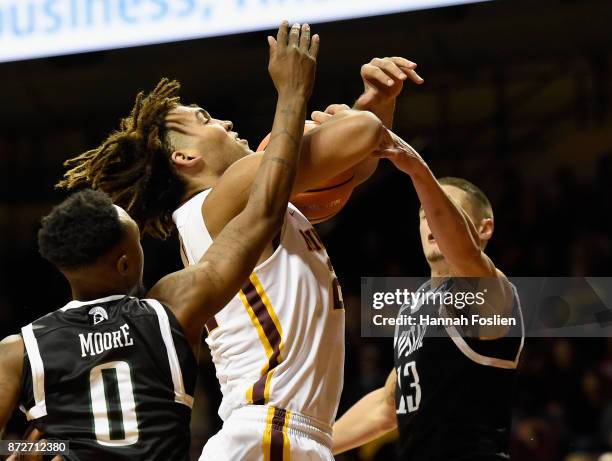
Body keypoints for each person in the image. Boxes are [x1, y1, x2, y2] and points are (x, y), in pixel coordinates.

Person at [56, 15, 423, 458]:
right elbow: (360, 136)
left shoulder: (239, 206)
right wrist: (310, 103)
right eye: (206, 119)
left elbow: (357, 162)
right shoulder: (223, 197)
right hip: (270, 428)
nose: (226, 122)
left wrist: (374, 102)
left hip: (282, 431)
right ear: (185, 156)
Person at [0, 21, 317, 461]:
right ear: (127, 263)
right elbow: (264, 208)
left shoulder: (20, 349)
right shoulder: (167, 307)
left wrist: (53, 445)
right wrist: (293, 94)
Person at [332, 135, 525, 460]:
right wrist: (306, 445)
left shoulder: (492, 292)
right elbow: (387, 406)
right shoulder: (413, 307)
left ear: (484, 228)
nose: (432, 220)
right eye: (425, 215)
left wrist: (418, 172)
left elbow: (463, 252)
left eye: (445, 212)